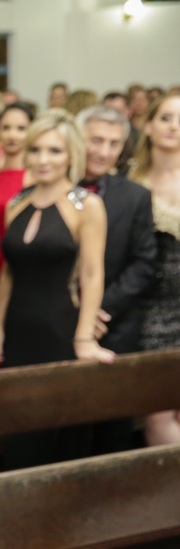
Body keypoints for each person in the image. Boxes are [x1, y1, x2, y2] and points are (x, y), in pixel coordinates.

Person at [0, 112, 113, 468]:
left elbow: (92, 274)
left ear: (71, 155)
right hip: (18, 332)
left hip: (60, 331)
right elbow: (8, 273)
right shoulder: (17, 203)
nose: (43, 159)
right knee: (20, 432)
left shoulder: (87, 205)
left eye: (54, 151)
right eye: (36, 149)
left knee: (61, 434)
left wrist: (84, 338)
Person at [76, 104, 158, 454]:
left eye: (113, 144)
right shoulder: (53, 190)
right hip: (60, 321)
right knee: (66, 430)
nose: (103, 151)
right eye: (96, 140)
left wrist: (97, 310)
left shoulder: (135, 196)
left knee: (113, 434)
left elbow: (143, 263)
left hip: (115, 324)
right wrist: (76, 312)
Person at [130, 94, 180, 445]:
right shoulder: (131, 183)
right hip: (151, 309)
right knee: (158, 410)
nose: (174, 126)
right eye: (165, 118)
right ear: (148, 126)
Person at [0, 102, 36, 282]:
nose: (12, 135)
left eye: (21, 129)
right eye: (6, 128)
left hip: (20, 269)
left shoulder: (35, 180)